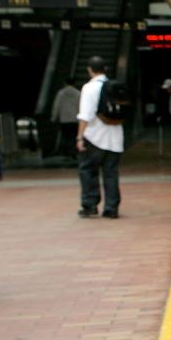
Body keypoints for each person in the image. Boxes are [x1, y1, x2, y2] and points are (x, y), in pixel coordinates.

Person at [76, 56, 123, 219]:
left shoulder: (89, 88)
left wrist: (80, 137)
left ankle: (90, 205)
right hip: (115, 138)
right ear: (106, 70)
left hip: (94, 137)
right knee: (111, 173)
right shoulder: (115, 86)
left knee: (88, 171)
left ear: (90, 70)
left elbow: (85, 115)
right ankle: (111, 208)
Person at [51, 77, 80, 158]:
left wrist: (54, 117)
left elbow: (56, 106)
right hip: (75, 119)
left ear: (65, 83)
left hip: (64, 119)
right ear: (74, 83)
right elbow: (80, 106)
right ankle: (73, 152)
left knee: (65, 136)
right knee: (74, 136)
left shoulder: (61, 93)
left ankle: (66, 153)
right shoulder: (78, 93)